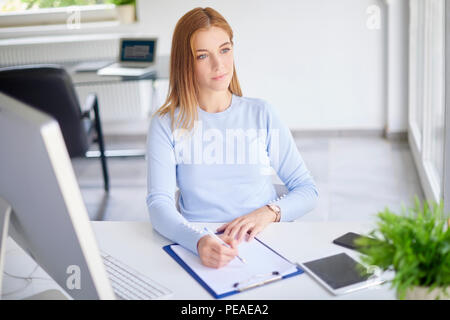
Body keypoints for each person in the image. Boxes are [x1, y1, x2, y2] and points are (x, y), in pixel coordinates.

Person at [146, 7, 319, 269]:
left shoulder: (261, 112)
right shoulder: (165, 124)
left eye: (225, 50)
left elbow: (307, 190)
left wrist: (269, 212)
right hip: (201, 245)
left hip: (265, 242)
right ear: (185, 62)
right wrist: (198, 241)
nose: (219, 65)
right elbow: (159, 205)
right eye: (203, 56)